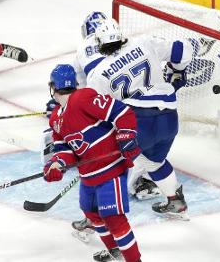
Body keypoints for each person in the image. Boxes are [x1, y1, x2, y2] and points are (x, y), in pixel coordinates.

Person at [80, 15, 191, 220]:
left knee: (110, 165)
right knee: (154, 162)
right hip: (169, 118)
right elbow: (184, 50)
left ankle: (95, 218)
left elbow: (96, 113)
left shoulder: (99, 74)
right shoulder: (144, 43)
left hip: (139, 123)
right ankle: (175, 200)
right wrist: (177, 72)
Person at [44, 64, 142, 262]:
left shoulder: (83, 98)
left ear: (53, 87)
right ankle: (117, 253)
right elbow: (65, 149)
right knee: (92, 213)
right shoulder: (55, 118)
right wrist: (56, 164)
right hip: (88, 175)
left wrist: (126, 134)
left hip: (110, 170)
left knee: (114, 218)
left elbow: (122, 112)